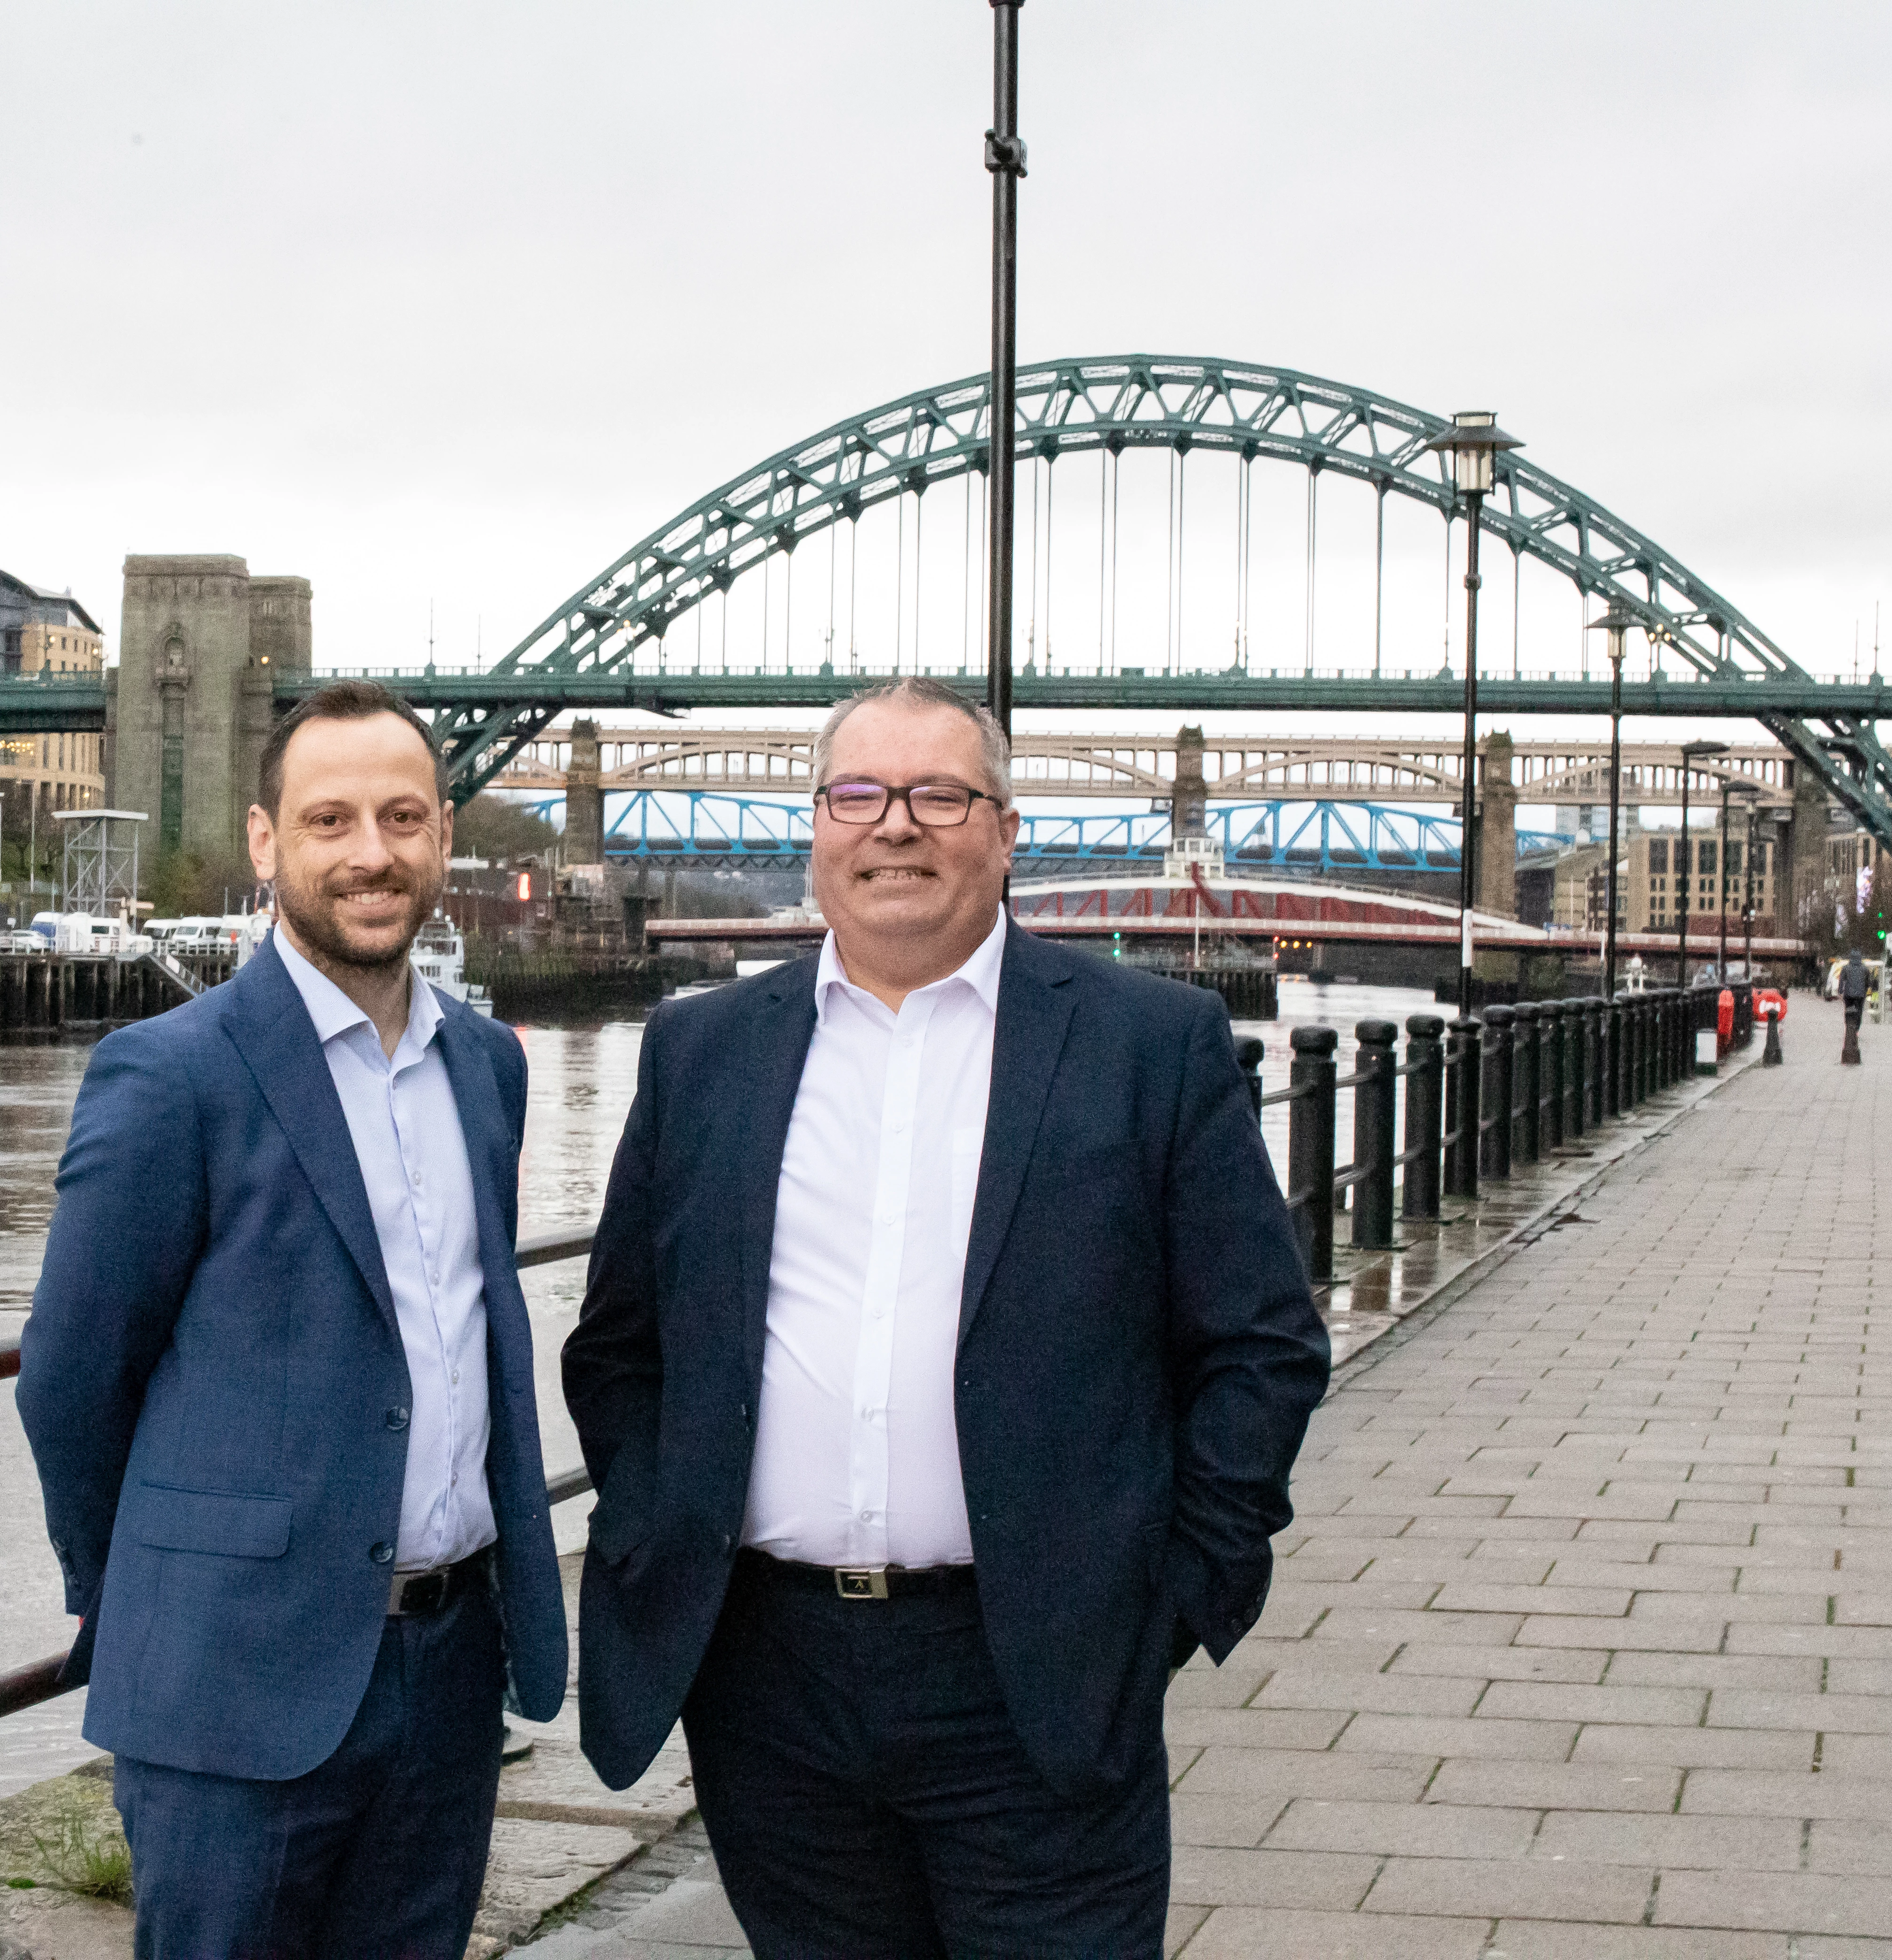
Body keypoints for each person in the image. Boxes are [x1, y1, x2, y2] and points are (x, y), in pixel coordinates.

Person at [561, 677, 1329, 1957]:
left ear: (1007, 829)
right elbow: (621, 1345)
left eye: (940, 795)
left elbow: (1261, 1343)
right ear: (817, 827)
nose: (896, 826)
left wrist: (1175, 1600)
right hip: (771, 1685)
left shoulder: (1150, 1046)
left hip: (1034, 1676)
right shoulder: (704, 1053)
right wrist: (661, 1530)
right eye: (859, 794)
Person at [16, 680, 568, 1960]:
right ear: (268, 844)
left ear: (442, 836)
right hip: (235, 1682)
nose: (371, 854)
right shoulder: (173, 1075)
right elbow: (70, 1379)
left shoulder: (486, 1068)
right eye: (331, 821)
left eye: (402, 816)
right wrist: (160, 1592)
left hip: (447, 1674)